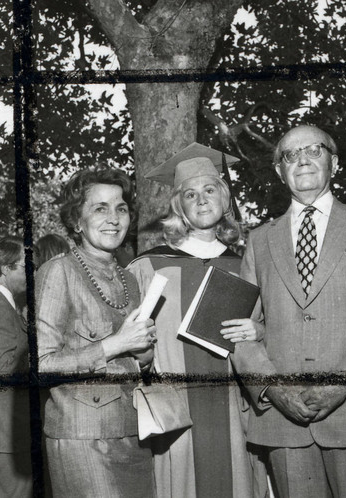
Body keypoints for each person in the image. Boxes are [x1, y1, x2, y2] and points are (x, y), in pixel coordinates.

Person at [231, 125, 346, 498]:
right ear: (280, 171)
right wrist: (273, 389)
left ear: (334, 162)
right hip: (286, 421)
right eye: (289, 155)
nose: (302, 160)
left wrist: (343, 384)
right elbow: (242, 330)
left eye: (313, 150)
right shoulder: (259, 239)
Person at [128, 143, 267, 498]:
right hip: (176, 412)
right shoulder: (149, 265)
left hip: (237, 411)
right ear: (180, 208)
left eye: (209, 190)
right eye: (190, 194)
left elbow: (279, 331)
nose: (201, 199)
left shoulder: (249, 265)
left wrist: (261, 330)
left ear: (225, 199)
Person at [35, 168, 157, 497]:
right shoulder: (58, 271)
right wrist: (114, 345)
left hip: (133, 432)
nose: (113, 218)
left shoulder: (129, 279)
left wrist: (143, 357)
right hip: (82, 439)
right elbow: (42, 364)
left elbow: (131, 358)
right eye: (99, 208)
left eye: (121, 208)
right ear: (77, 220)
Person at [0, 236, 32, 497]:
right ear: (5, 268)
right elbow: (0, 368)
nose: (32, 273)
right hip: (7, 432)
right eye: (26, 266)